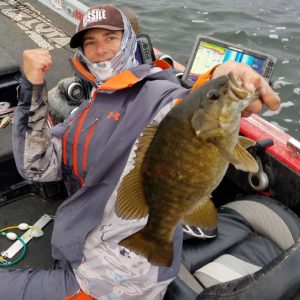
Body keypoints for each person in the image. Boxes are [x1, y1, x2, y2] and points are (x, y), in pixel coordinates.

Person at [2, 4, 280, 300]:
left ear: (132, 42)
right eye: (90, 42)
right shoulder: (87, 109)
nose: (101, 50)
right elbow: (37, 166)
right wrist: (32, 90)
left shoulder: (157, 93)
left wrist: (219, 75)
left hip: (110, 283)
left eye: (111, 38)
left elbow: (180, 106)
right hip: (78, 251)